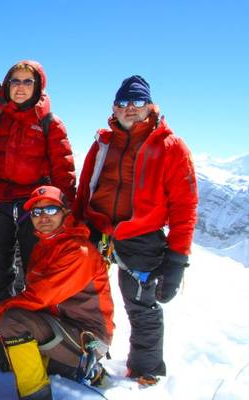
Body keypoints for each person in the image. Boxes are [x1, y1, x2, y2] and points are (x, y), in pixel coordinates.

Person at [73, 75, 198, 385]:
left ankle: (146, 371)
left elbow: (185, 207)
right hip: (97, 227)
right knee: (78, 295)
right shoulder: (102, 143)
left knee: (141, 305)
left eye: (137, 102)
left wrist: (178, 260)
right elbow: (85, 189)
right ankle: (76, 355)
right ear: (114, 108)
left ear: (150, 106)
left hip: (141, 234)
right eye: (122, 103)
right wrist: (76, 226)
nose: (129, 108)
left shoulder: (171, 147)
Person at [0, 186, 114, 400]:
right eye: (37, 212)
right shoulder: (44, 247)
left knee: (13, 321)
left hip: (87, 337)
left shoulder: (78, 252)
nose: (43, 217)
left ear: (65, 212)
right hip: (59, 326)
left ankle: (37, 394)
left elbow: (37, 298)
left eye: (50, 210)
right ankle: (75, 369)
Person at [0, 60, 76, 304]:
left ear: (38, 86)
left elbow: (63, 170)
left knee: (35, 264)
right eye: (15, 81)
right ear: (7, 85)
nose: (21, 87)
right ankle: (0, 317)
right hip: (0, 201)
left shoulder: (50, 123)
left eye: (27, 81)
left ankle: (34, 318)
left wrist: (67, 212)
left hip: (35, 202)